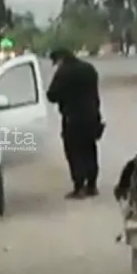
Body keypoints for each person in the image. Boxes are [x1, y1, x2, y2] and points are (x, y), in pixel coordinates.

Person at [47, 48, 104, 199]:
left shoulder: (63, 73)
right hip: (92, 115)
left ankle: (79, 187)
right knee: (89, 149)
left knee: (74, 152)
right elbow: (95, 94)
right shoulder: (89, 69)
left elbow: (51, 95)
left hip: (73, 117)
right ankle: (92, 185)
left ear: (60, 58)